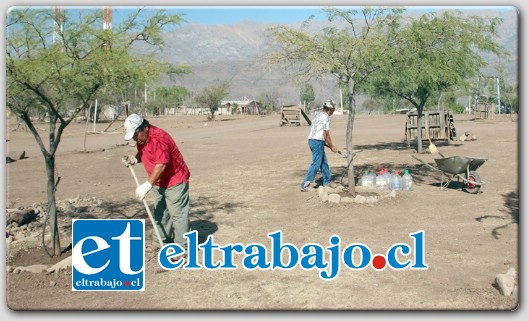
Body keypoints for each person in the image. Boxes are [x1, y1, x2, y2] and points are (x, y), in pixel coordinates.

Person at [121, 114, 190, 259]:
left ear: (144, 127)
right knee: (160, 213)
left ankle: (181, 248)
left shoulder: (159, 139)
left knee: (178, 215)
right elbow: (145, 152)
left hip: (174, 180)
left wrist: (147, 185)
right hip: (158, 182)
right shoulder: (142, 138)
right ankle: (160, 242)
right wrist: (135, 158)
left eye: (136, 135)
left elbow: (161, 165)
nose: (135, 139)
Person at [300, 100, 338, 191]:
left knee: (323, 162)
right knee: (316, 163)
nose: (333, 111)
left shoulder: (318, 115)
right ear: (330, 109)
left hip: (313, 140)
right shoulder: (326, 118)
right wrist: (332, 146)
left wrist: (322, 142)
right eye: (333, 109)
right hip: (317, 142)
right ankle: (305, 184)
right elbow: (326, 134)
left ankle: (327, 181)